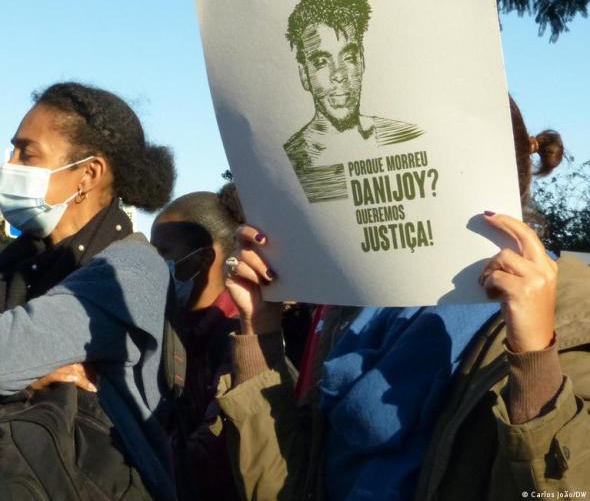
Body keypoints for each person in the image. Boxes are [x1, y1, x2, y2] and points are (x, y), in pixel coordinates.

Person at [217, 98, 590, 499]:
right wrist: (259, 329)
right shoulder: (356, 303)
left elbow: (565, 492)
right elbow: (291, 484)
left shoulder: (571, 316)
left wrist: (535, 358)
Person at [0, 82, 177, 500]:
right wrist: (28, 380)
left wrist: (17, 378)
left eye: (27, 153)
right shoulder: (23, 259)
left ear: (88, 173)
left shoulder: (129, 270)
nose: (10, 163)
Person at [284, 0, 424, 203]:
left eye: (348, 57)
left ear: (362, 60)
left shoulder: (408, 136)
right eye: (321, 62)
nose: (338, 74)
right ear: (304, 75)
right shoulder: (285, 163)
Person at [150, 185, 244, 501]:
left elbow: (210, 450)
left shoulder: (238, 335)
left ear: (204, 257)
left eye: (163, 252)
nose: (154, 264)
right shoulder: (170, 321)